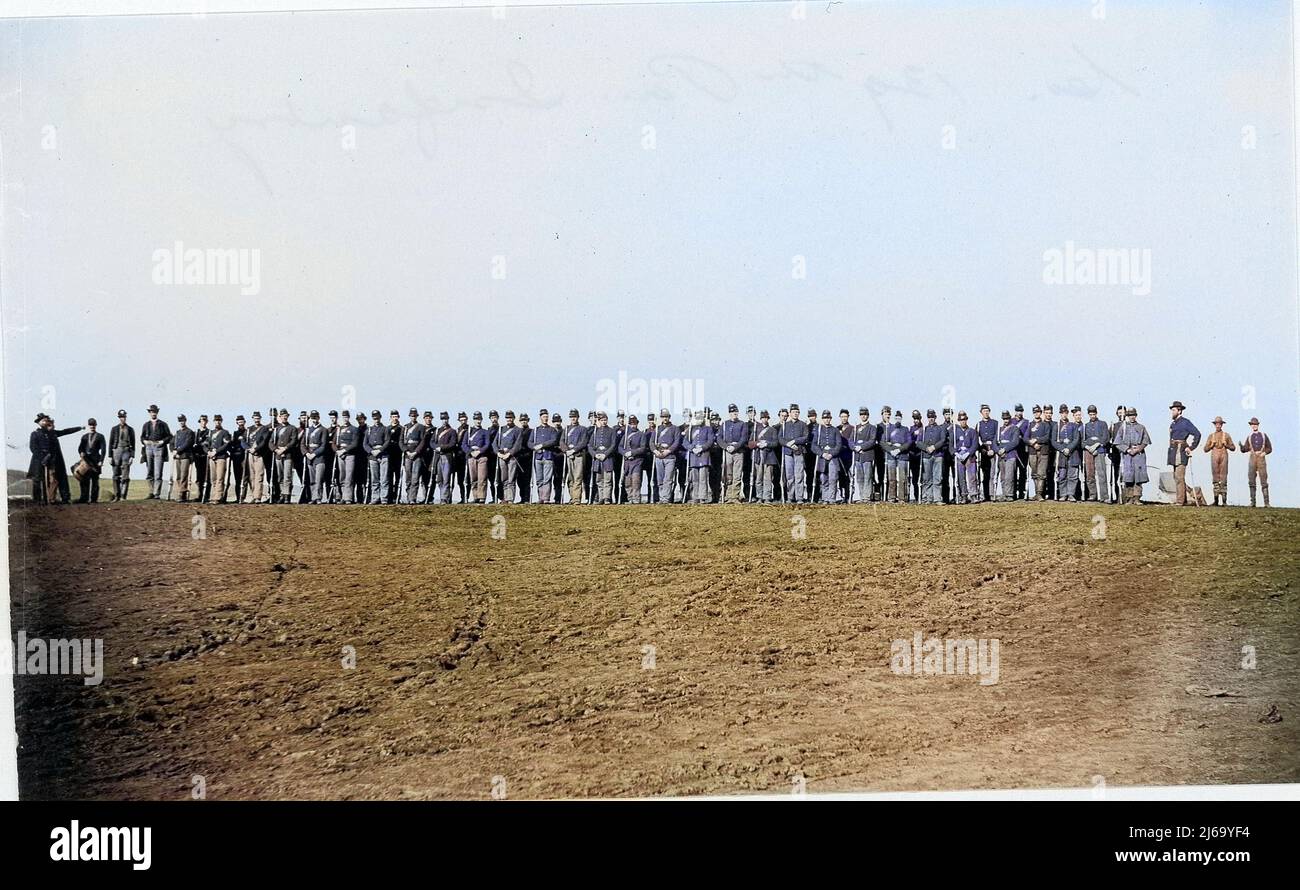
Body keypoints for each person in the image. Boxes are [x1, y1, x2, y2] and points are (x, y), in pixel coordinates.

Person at [28, 414, 82, 504]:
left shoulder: (52, 433)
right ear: (39, 423)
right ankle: (37, 500)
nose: (46, 422)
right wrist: (43, 458)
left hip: (54, 460)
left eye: (46, 420)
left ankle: (62, 498)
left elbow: (65, 431)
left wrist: (79, 428)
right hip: (39, 461)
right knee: (38, 480)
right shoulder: (35, 434)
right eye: (43, 421)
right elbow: (33, 448)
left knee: (57, 479)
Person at [1167, 400, 1202, 507]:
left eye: (1174, 410)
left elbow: (1197, 434)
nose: (1172, 412)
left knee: (1179, 477)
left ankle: (1180, 501)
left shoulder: (1185, 422)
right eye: (1172, 410)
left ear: (1180, 411)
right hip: (1173, 451)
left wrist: (1191, 447)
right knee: (1176, 477)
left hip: (1180, 452)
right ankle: (1184, 499)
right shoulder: (1173, 423)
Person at [1116, 407, 1151, 504]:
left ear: (1136, 416)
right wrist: (1127, 449)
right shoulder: (1123, 428)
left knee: (1138, 476)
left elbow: (1145, 441)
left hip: (1139, 455)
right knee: (1128, 476)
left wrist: (1138, 448)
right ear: (1127, 416)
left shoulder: (1141, 427)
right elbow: (1117, 442)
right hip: (1128, 455)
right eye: (1130, 415)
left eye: (1133, 415)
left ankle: (1137, 498)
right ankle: (1129, 498)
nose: (1132, 417)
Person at [140, 404, 172, 499]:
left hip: (159, 448)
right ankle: (151, 492)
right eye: (151, 411)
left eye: (154, 411)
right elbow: (142, 437)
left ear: (157, 412)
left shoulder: (163, 424)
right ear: (149, 413)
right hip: (149, 447)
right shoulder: (146, 425)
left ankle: (157, 494)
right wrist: (144, 441)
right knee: (150, 471)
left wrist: (162, 441)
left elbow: (170, 436)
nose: (153, 413)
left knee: (158, 472)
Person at [1201, 416, 1235, 506]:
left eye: (1220, 424)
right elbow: (1205, 449)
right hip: (1214, 456)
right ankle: (1216, 501)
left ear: (1222, 425)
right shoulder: (1211, 436)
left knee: (1223, 478)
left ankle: (1224, 501)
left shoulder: (1226, 435)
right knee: (1215, 478)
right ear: (1214, 425)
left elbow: (1233, 447)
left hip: (1224, 456)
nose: (1218, 425)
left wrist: (1226, 445)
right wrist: (1211, 445)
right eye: (1216, 424)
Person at [779, 404, 810, 504]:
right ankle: (790, 497)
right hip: (788, 453)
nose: (795, 414)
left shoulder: (803, 424)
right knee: (789, 476)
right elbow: (780, 438)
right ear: (790, 413)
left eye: (797, 412)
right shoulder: (785, 425)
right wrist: (788, 444)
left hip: (799, 452)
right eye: (793, 412)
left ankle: (799, 497)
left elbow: (805, 437)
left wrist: (794, 441)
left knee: (799, 475)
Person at [1051, 403, 1081, 502]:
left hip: (1072, 453)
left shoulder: (1073, 425)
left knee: (1072, 475)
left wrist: (1069, 448)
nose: (1064, 414)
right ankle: (1063, 494)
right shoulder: (1056, 426)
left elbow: (1076, 439)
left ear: (1068, 413)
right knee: (1062, 475)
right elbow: (1053, 441)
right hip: (1061, 454)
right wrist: (1063, 449)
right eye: (1062, 413)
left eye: (1065, 412)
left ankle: (1071, 494)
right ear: (1060, 414)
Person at [1240, 417, 1272, 507]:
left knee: (1264, 480)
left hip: (1261, 459)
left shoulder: (1263, 435)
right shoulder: (1249, 437)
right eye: (1252, 424)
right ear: (1250, 426)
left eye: (1255, 424)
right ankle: (1253, 502)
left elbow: (1270, 448)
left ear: (1258, 425)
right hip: (1252, 458)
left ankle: (1267, 503)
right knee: (1251, 480)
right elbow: (1245, 449)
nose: (1254, 426)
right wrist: (1241, 447)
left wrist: (1264, 453)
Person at [1081, 405, 1110, 503]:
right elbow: (1083, 441)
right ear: (1088, 414)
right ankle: (1092, 495)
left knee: (1102, 473)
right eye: (1090, 414)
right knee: (1090, 474)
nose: (1092, 416)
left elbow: (1105, 438)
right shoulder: (1086, 426)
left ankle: (1104, 496)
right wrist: (1089, 448)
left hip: (1099, 450)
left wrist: (1097, 445)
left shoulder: (1103, 424)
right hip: (1088, 451)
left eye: (1094, 414)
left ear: (1096, 413)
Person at [719, 404, 748, 503]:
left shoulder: (742, 424)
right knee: (728, 474)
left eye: (735, 412)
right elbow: (719, 438)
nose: (734, 414)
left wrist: (735, 447)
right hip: (727, 451)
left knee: (737, 474)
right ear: (729, 413)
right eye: (732, 412)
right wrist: (726, 446)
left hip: (738, 452)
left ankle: (735, 496)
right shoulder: (724, 424)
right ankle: (728, 496)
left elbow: (744, 438)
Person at [495, 411, 525, 503]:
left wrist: (510, 453)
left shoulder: (518, 430)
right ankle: (505, 498)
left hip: (512, 457)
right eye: (507, 418)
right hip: (501, 456)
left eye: (511, 418)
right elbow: (494, 443)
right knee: (504, 478)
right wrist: (498, 453)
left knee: (511, 478)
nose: (509, 419)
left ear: (513, 418)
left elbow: (518, 445)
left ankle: (510, 498)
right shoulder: (501, 429)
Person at [917, 409, 946, 504]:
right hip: (926, 456)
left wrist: (934, 447)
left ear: (935, 417)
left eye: (932, 417)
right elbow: (918, 442)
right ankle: (927, 498)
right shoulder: (924, 429)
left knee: (937, 478)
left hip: (938, 455)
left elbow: (943, 440)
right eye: (929, 417)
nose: (931, 419)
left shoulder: (941, 428)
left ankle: (937, 498)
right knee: (927, 478)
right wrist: (926, 448)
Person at [849, 407, 879, 503]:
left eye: (865, 414)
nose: (863, 416)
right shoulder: (855, 428)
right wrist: (855, 447)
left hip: (867, 455)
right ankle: (862, 496)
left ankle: (867, 497)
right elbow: (850, 441)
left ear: (868, 415)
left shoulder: (872, 428)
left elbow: (872, 441)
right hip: (858, 456)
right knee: (860, 477)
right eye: (862, 414)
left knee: (868, 476)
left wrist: (861, 447)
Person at [685, 409, 715, 504]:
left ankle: (703, 497)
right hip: (693, 456)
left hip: (704, 456)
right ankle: (695, 496)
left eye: (700, 418)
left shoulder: (708, 429)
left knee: (703, 478)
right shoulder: (690, 430)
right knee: (694, 478)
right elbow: (685, 442)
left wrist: (701, 448)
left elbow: (710, 441)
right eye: (697, 417)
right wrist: (692, 448)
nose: (699, 419)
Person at [813, 410, 843, 503]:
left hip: (833, 458)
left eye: (828, 418)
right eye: (825, 418)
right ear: (822, 419)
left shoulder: (835, 430)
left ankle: (832, 498)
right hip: (822, 458)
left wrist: (831, 454)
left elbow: (839, 444)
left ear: (831, 419)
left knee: (833, 478)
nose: (827, 420)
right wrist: (822, 454)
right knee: (823, 478)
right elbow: (813, 445)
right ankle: (825, 498)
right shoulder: (818, 430)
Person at [74, 418, 107, 503]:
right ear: (89, 425)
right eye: (91, 425)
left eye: (94, 425)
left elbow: (103, 450)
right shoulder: (84, 437)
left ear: (96, 425)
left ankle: (94, 499)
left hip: (96, 461)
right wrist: (81, 452)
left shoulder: (100, 436)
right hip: (86, 461)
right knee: (84, 480)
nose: (92, 426)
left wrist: (101, 461)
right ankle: (83, 498)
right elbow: (80, 448)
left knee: (95, 480)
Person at [652, 408, 680, 504]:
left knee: (668, 479)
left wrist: (668, 451)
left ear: (669, 417)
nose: (665, 418)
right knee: (660, 479)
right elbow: (651, 442)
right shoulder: (657, 429)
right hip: (659, 456)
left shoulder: (675, 428)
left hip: (670, 457)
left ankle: (666, 498)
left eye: (666, 416)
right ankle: (661, 497)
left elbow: (676, 442)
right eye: (663, 417)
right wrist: (655, 451)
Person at [463, 412, 492, 503]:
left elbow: (487, 444)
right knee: (473, 478)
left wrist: (479, 451)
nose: (478, 421)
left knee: (482, 478)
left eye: (479, 419)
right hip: (471, 457)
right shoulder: (468, 432)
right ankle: (475, 496)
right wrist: (471, 452)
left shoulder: (485, 432)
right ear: (474, 420)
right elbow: (464, 445)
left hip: (482, 457)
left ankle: (482, 497)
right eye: (476, 419)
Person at [563, 409, 591, 504]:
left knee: (578, 477)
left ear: (578, 417)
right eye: (571, 417)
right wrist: (566, 451)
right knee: (570, 478)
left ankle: (576, 499)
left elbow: (583, 442)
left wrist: (573, 450)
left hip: (578, 455)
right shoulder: (566, 429)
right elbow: (562, 442)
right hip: (568, 456)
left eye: (574, 416)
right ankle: (572, 497)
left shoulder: (582, 429)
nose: (573, 418)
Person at [271, 409, 298, 503]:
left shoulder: (292, 428)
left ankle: (287, 496)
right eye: (282, 416)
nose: (284, 417)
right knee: (280, 477)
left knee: (287, 476)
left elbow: (293, 441)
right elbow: (271, 442)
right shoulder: (276, 429)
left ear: (288, 416)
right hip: (278, 455)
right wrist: (276, 450)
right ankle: (282, 494)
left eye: (286, 416)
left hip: (288, 455)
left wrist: (285, 448)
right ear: (280, 417)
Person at [952, 411, 979, 504]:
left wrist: (968, 453)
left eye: (964, 419)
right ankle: (963, 495)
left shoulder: (972, 431)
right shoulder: (955, 432)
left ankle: (973, 495)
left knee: (972, 476)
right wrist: (956, 454)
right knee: (960, 477)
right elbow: (951, 446)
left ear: (967, 420)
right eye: (961, 420)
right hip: (959, 456)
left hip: (969, 457)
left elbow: (975, 444)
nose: (963, 421)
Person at [108, 409, 135, 501]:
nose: (122, 419)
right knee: (115, 475)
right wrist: (110, 456)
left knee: (125, 475)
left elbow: (133, 444)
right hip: (116, 451)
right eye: (121, 417)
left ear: (126, 417)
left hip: (126, 451)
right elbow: (110, 442)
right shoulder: (114, 429)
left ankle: (123, 496)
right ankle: (117, 495)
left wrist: (132, 456)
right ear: (119, 418)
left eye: (124, 417)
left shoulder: (130, 429)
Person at [245, 411, 272, 504]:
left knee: (259, 476)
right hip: (250, 454)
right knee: (251, 476)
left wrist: (255, 449)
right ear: (252, 419)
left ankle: (257, 497)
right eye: (255, 418)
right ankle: (253, 494)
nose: (256, 420)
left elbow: (264, 442)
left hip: (259, 454)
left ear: (260, 419)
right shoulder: (249, 429)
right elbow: (243, 441)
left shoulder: (264, 429)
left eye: (258, 418)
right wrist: (248, 448)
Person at [994, 410, 1021, 502]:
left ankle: (1009, 494)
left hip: (1011, 455)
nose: (1006, 420)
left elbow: (1015, 442)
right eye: (1004, 419)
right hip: (1001, 456)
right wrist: (998, 450)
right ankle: (1004, 494)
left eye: (1007, 418)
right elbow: (994, 443)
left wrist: (1005, 449)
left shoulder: (1014, 429)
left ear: (1010, 418)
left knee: (1009, 476)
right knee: (1003, 476)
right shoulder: (999, 430)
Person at [207, 415, 233, 503]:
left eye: (219, 421)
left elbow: (226, 445)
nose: (217, 422)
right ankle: (214, 495)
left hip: (221, 457)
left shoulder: (225, 432)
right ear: (213, 421)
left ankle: (218, 497)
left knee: (220, 478)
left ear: (221, 421)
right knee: (213, 478)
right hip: (212, 457)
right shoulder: (211, 432)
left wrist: (216, 452)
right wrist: (208, 452)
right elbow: (206, 444)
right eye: (216, 420)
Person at [172, 414, 196, 502]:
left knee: (183, 475)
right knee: (178, 476)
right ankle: (181, 492)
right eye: (180, 421)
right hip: (178, 457)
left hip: (185, 456)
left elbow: (188, 443)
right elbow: (172, 442)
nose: (181, 422)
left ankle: (182, 494)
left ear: (185, 421)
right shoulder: (177, 432)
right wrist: (173, 451)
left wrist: (178, 451)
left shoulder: (189, 432)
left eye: (182, 420)